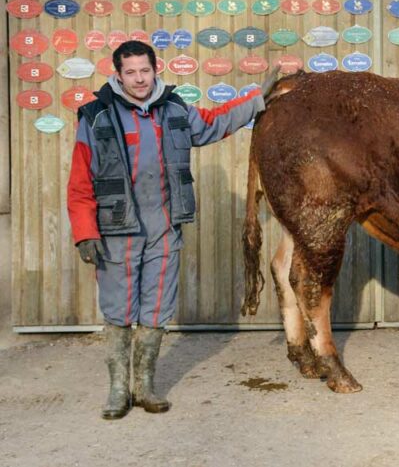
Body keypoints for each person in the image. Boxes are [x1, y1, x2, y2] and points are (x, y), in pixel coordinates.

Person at [67, 40, 275, 420]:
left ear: (155, 69)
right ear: (118, 74)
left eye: (145, 70)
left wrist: (257, 99)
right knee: (118, 310)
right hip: (117, 232)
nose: (139, 78)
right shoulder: (95, 116)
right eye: (130, 72)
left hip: (164, 229)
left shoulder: (174, 108)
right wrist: (85, 231)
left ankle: (145, 386)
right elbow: (80, 180)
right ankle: (118, 390)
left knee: (157, 307)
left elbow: (213, 123)